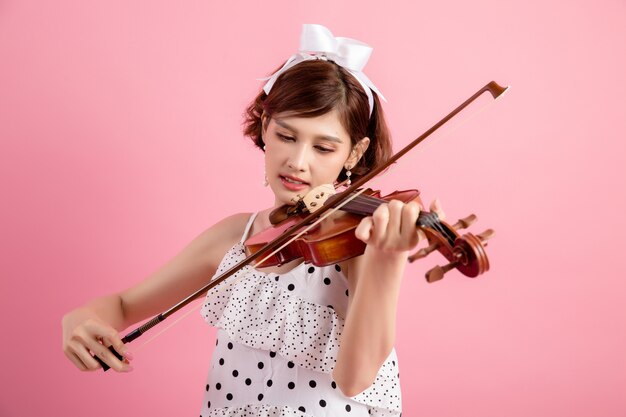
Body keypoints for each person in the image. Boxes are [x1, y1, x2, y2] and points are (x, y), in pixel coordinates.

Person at [61, 24, 444, 417]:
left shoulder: (357, 246)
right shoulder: (238, 235)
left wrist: (388, 261)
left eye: (324, 147)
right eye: (287, 136)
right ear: (265, 127)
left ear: (353, 153)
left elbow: (356, 378)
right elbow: (123, 305)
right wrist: (79, 319)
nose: (298, 161)